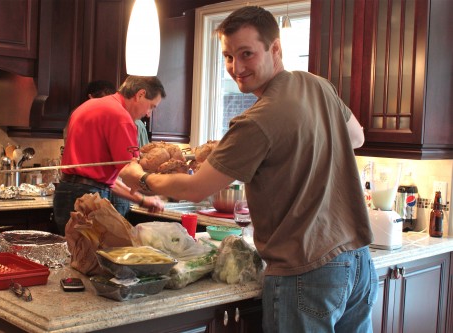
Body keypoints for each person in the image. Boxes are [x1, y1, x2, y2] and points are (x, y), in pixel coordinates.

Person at [119, 6, 377, 333]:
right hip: (358, 263)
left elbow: (196, 188)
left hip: (306, 272)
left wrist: (140, 177)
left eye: (246, 54)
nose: (236, 67)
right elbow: (355, 137)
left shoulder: (257, 120)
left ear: (276, 49)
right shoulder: (317, 85)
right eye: (228, 56)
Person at [54, 75, 166, 235]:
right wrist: (147, 198)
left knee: (74, 256)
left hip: (64, 192)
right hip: (90, 198)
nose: (148, 114)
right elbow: (131, 175)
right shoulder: (122, 118)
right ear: (140, 95)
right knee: (97, 258)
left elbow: (103, 177)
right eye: (151, 106)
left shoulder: (86, 107)